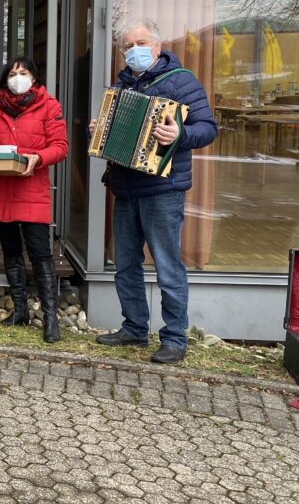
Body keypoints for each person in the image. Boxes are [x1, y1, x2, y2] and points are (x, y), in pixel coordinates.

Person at [93, 20, 217, 364]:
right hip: (125, 186)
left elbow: (207, 129)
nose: (134, 49)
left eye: (141, 42)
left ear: (158, 46)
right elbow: (113, 135)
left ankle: (175, 337)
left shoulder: (181, 81)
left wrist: (179, 135)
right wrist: (99, 129)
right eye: (128, 45)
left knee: (167, 265)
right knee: (125, 263)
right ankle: (134, 328)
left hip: (163, 188)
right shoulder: (120, 86)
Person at [0, 56, 69, 342]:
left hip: (31, 190)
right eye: (12, 73)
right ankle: (21, 310)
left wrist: (38, 157)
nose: (17, 78)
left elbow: (60, 147)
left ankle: (51, 318)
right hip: (0, 189)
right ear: (5, 80)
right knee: (11, 250)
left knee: (41, 254)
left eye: (23, 72)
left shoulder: (49, 105)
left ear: (34, 77)